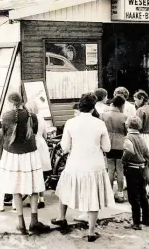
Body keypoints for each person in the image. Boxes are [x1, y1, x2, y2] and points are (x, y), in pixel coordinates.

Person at [52, 93, 114, 243]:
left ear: (80, 106)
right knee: (93, 196)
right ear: (93, 108)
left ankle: (61, 217)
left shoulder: (71, 122)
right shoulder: (99, 123)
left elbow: (65, 147)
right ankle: (91, 232)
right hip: (94, 164)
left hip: (75, 163)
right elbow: (107, 148)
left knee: (65, 188)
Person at [0, 92, 50, 235]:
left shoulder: (6, 116)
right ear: (21, 102)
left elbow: (5, 134)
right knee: (33, 187)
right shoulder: (31, 116)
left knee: (16, 188)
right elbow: (35, 131)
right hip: (30, 154)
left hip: (12, 155)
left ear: (9, 102)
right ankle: (34, 221)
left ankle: (21, 223)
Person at [122, 116, 149, 230]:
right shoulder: (141, 138)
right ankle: (146, 219)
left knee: (133, 197)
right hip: (142, 168)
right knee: (143, 195)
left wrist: (124, 160)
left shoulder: (128, 138)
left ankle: (136, 222)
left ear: (127, 125)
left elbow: (129, 150)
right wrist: (145, 165)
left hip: (132, 169)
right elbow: (147, 156)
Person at [100, 95, 128, 203]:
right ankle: (120, 193)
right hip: (120, 144)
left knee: (110, 169)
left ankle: (110, 192)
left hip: (108, 144)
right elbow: (126, 132)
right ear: (121, 105)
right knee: (120, 170)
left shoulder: (103, 116)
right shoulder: (124, 117)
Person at [25, 100, 51, 209]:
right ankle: (42, 198)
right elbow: (45, 134)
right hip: (42, 145)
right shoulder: (42, 119)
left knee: (32, 173)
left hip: (32, 145)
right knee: (40, 173)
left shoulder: (28, 119)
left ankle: (34, 200)